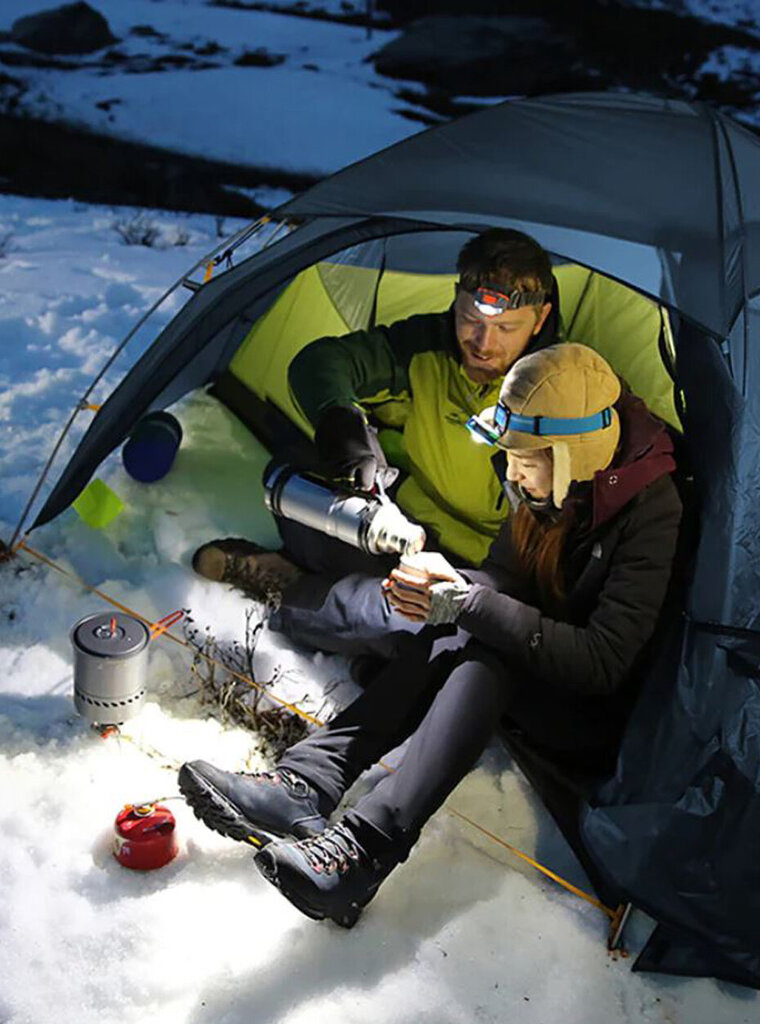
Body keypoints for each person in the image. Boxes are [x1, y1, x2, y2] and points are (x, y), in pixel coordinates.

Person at [179, 344, 683, 927]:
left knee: (484, 649)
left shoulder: (652, 509)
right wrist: (442, 592)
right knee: (455, 618)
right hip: (538, 656)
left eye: (525, 461)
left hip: (595, 713)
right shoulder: (547, 485)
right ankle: (306, 782)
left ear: (575, 453)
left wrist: (470, 602)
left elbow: (604, 663)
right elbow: (506, 579)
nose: (512, 473)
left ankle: (362, 851)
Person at [191, 228, 558, 659]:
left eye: (505, 328)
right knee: (295, 475)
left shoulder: (558, 387)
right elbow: (320, 364)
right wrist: (343, 430)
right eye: (470, 320)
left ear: (539, 318)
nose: (482, 343)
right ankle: (348, 615)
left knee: (421, 621)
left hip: (473, 571)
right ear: (455, 297)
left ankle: (290, 596)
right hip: (400, 526)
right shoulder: (429, 346)